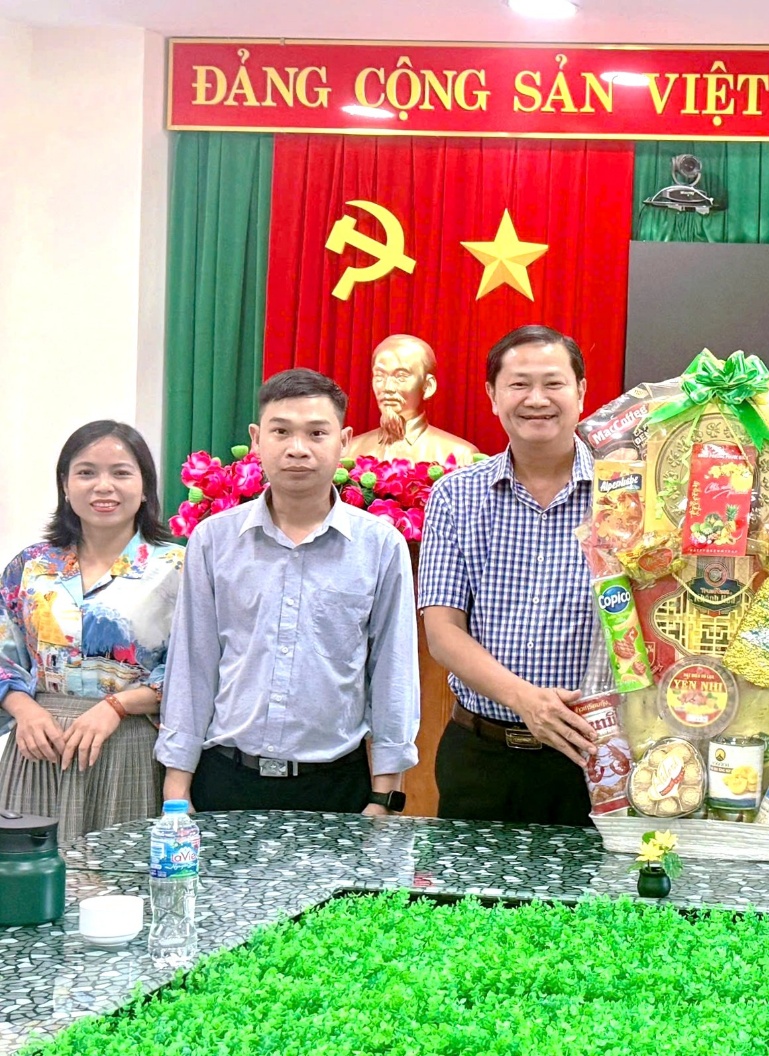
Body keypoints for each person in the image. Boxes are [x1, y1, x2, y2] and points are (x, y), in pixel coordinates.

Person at [157, 369, 418, 815]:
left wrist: (385, 795)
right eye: (281, 431)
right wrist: (176, 789)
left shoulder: (380, 545)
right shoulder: (213, 540)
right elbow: (192, 665)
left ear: (344, 441)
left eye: (317, 433)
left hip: (336, 786)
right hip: (227, 779)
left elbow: (393, 670)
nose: (298, 448)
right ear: (257, 439)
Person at [418, 324, 602, 825]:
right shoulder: (456, 496)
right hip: (481, 755)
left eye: (553, 383)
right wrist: (526, 701)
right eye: (519, 384)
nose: (536, 399)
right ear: (493, 395)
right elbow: (442, 632)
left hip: (597, 756)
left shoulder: (627, 495)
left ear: (581, 392)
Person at [0, 422, 183, 843]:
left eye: (121, 473)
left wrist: (118, 706)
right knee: (30, 875)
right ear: (65, 486)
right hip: (38, 746)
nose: (104, 486)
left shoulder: (178, 568)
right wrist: (24, 710)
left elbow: (197, 670)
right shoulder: (31, 566)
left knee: (116, 874)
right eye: (86, 472)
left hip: (129, 746)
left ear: (145, 486)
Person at [344, 334, 483, 463]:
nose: (387, 387)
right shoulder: (349, 452)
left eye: (401, 376)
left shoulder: (460, 456)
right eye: (380, 376)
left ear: (428, 386)